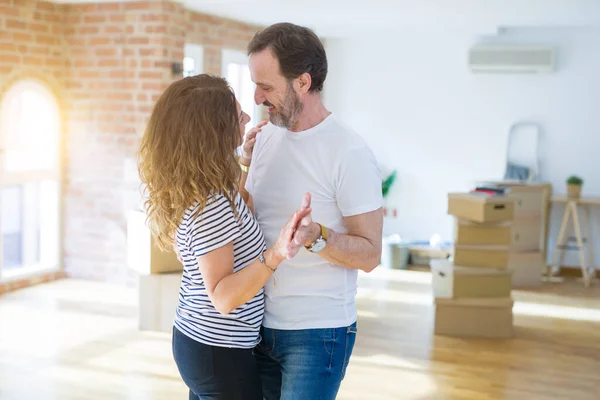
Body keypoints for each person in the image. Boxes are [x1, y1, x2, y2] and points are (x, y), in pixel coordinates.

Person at [137, 74, 311, 400]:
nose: (246, 117)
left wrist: (245, 162)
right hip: (217, 350)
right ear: (212, 130)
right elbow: (224, 297)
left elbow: (236, 215)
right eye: (236, 114)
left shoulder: (203, 189)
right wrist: (276, 252)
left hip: (202, 342)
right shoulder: (210, 202)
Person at [243, 22, 384, 400]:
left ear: (303, 83)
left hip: (317, 333)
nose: (257, 97)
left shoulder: (349, 153)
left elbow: (370, 254)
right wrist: (242, 166)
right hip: (255, 322)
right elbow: (251, 217)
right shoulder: (265, 138)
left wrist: (316, 236)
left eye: (267, 87)